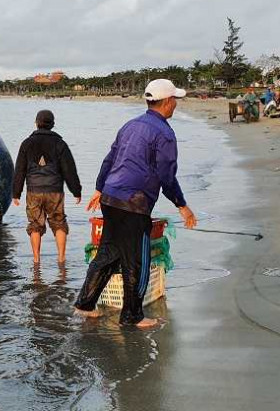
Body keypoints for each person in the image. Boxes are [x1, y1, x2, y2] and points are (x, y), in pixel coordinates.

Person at [74, 79, 197, 328]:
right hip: (134, 203)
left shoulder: (130, 125)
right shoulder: (164, 133)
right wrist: (181, 205)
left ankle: (84, 305)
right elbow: (167, 176)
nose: (176, 105)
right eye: (175, 100)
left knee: (109, 252)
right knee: (136, 260)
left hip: (110, 197)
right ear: (167, 102)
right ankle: (132, 315)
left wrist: (100, 188)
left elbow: (110, 159)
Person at [12, 110, 82, 264]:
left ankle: (36, 261)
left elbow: (20, 170)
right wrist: (76, 191)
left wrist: (16, 193)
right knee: (59, 222)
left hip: (34, 191)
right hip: (54, 191)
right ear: (53, 124)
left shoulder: (27, 143)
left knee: (35, 225)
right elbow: (69, 169)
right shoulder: (60, 144)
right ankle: (61, 259)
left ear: (36, 123)